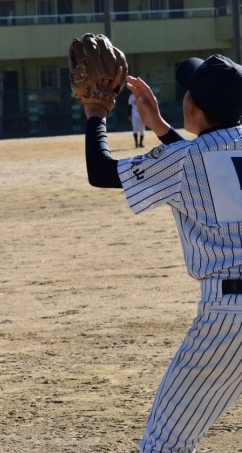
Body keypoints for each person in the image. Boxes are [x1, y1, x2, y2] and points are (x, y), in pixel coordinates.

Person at [82, 54, 242, 452]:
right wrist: (160, 127)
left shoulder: (184, 161)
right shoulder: (205, 156)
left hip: (230, 315)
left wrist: (95, 113)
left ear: (194, 107)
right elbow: (214, 166)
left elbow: (101, 171)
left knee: (166, 443)